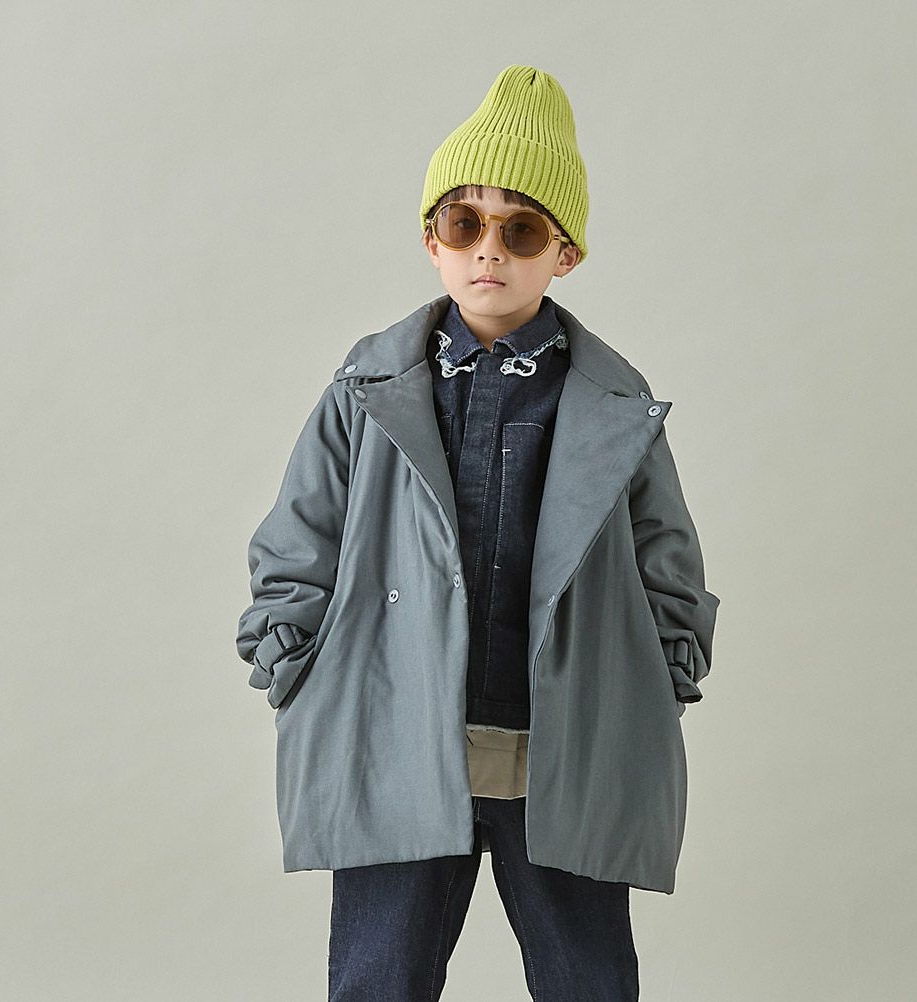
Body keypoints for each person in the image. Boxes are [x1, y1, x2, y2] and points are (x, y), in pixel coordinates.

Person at [235, 64, 720, 1002]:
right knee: (379, 980)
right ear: (433, 240)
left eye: (521, 229)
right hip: (397, 729)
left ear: (565, 254)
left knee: (588, 981)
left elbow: (667, 561)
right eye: (465, 224)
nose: (488, 250)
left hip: (563, 742)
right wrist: (289, 656)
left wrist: (657, 676)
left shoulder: (614, 405)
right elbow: (300, 535)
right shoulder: (365, 391)